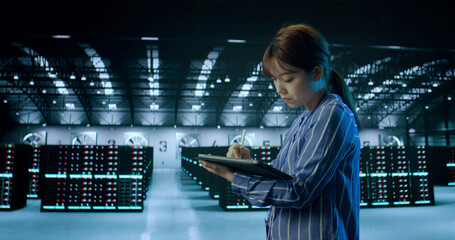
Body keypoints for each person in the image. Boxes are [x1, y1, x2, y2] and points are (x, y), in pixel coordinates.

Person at [200, 23, 360, 240]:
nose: (278, 89)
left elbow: (298, 192)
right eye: (275, 79)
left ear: (316, 72)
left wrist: (233, 176)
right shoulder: (303, 120)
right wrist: (248, 164)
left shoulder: (331, 115)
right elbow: (282, 175)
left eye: (288, 79)